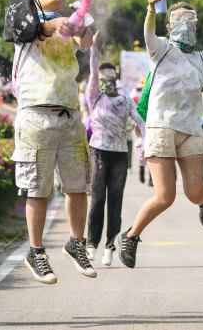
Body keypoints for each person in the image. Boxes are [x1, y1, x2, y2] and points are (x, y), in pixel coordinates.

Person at [118, 0, 203, 268]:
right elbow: (147, 31)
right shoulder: (161, 47)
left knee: (195, 193)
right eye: (180, 19)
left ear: (197, 24)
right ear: (170, 25)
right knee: (165, 197)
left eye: (191, 19)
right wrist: (151, 8)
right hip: (161, 127)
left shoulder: (202, 59)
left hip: (190, 129)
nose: (186, 24)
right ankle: (131, 236)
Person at [10, 0, 96, 285]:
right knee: (38, 187)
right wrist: (58, 22)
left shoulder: (71, 24)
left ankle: (76, 243)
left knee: (78, 185)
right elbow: (44, 28)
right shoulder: (24, 24)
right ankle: (36, 251)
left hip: (70, 113)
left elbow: (86, 42)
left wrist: (79, 26)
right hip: (35, 114)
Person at [85, 34, 145, 266]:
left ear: (116, 79)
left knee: (116, 201)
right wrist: (93, 48)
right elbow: (92, 70)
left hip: (120, 155)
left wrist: (144, 142)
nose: (107, 82)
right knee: (98, 199)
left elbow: (140, 122)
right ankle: (91, 244)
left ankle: (110, 246)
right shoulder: (94, 98)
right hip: (98, 152)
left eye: (111, 79)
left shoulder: (124, 101)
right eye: (103, 78)